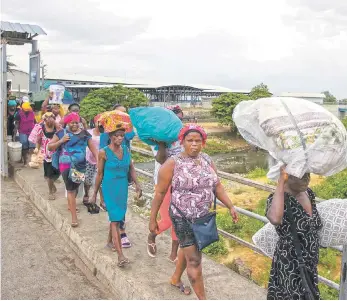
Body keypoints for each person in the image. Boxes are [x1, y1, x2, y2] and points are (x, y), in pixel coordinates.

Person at [149, 124, 238, 299]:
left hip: (202, 217)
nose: (194, 144)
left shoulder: (207, 160)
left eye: (198, 140)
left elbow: (216, 185)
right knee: (195, 260)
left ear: (203, 142)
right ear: (182, 142)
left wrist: (230, 205)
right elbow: (159, 193)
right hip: (182, 217)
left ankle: (175, 279)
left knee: (189, 247)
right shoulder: (172, 163)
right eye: (190, 140)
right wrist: (152, 219)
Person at [265, 169, 322, 300]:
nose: (307, 178)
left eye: (308, 174)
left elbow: (314, 226)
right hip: (290, 266)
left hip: (309, 265)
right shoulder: (278, 200)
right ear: (287, 176)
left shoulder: (308, 194)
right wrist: (280, 181)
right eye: (301, 175)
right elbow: (274, 218)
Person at [91, 127, 141, 267]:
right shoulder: (103, 152)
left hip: (122, 186)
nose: (120, 138)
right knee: (115, 220)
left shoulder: (126, 150)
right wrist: (94, 193)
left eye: (122, 136)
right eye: (117, 136)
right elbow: (100, 173)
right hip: (109, 187)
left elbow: (131, 167)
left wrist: (137, 183)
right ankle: (120, 255)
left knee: (118, 217)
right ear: (111, 137)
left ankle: (109, 242)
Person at [147, 105, 184, 262]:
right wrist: (162, 142)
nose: (179, 124)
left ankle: (173, 253)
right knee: (168, 220)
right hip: (164, 182)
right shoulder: (158, 137)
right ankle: (152, 235)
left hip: (182, 182)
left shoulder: (186, 137)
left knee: (180, 220)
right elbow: (161, 159)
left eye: (181, 120)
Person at [48, 112, 98, 227]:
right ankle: (74, 218)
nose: (75, 124)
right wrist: (61, 141)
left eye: (76, 122)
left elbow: (93, 149)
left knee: (75, 187)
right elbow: (50, 146)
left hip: (80, 166)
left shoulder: (85, 134)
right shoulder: (61, 133)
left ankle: (71, 204)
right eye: (72, 122)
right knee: (70, 189)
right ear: (67, 122)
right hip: (65, 165)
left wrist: (98, 162)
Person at [98, 104, 135, 248]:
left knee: (120, 207)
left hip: (123, 170)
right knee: (115, 212)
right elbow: (102, 156)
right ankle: (121, 233)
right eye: (119, 114)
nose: (122, 117)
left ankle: (112, 238)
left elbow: (131, 135)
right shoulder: (105, 136)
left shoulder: (126, 132)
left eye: (124, 114)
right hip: (111, 176)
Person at [34, 112, 60, 200]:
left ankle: (52, 184)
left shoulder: (58, 130)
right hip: (47, 156)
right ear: (44, 120)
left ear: (54, 119)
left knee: (57, 173)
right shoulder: (41, 130)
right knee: (49, 175)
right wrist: (37, 149)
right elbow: (38, 140)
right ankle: (50, 192)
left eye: (51, 118)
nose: (49, 120)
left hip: (58, 155)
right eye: (47, 119)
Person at [83, 114, 105, 209]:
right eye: (98, 122)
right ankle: (86, 194)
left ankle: (102, 200)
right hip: (89, 159)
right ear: (95, 122)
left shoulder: (106, 134)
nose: (100, 124)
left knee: (100, 180)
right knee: (87, 179)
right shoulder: (89, 132)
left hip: (101, 160)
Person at [14, 101, 36, 165]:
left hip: (31, 131)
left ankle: (33, 161)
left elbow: (34, 121)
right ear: (22, 109)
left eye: (28, 109)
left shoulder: (32, 113)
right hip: (22, 131)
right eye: (26, 110)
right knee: (24, 144)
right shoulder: (18, 114)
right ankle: (25, 160)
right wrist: (15, 133)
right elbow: (17, 124)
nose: (27, 111)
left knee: (32, 145)